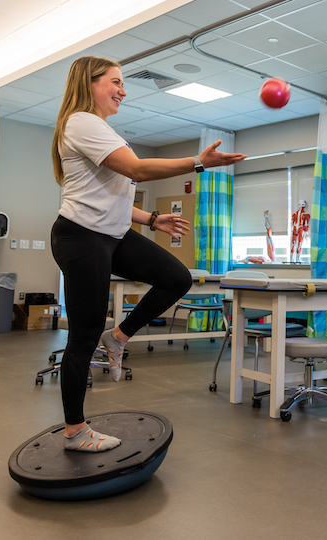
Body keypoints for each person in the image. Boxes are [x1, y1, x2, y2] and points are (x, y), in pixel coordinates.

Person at [51, 56, 245, 452]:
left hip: (112, 233)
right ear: (89, 83)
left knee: (177, 277)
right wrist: (197, 163)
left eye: (123, 83)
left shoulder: (99, 127)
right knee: (83, 337)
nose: (123, 90)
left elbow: (108, 193)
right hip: (82, 238)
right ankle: (75, 430)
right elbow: (137, 172)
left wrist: (151, 219)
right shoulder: (81, 122)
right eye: (115, 82)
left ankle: (119, 336)